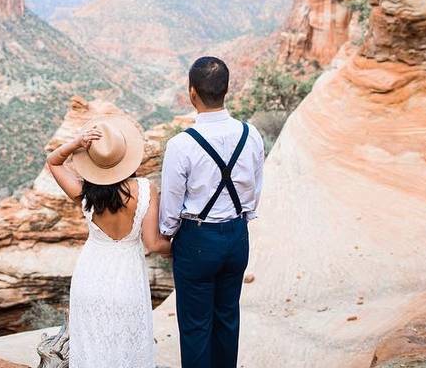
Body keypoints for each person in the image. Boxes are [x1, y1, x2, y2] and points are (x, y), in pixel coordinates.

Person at [159, 56, 265, 368]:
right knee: (228, 320)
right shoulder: (252, 134)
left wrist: (168, 235)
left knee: (195, 327)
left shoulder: (182, 145)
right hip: (236, 235)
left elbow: (171, 207)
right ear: (226, 90)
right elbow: (254, 190)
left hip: (197, 240)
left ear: (192, 93)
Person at [46, 114, 172, 368]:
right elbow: (154, 244)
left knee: (94, 348)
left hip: (89, 278)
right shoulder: (145, 189)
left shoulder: (84, 192)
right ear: (125, 156)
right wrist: (185, 247)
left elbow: (53, 161)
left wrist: (77, 143)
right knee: (125, 347)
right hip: (127, 278)